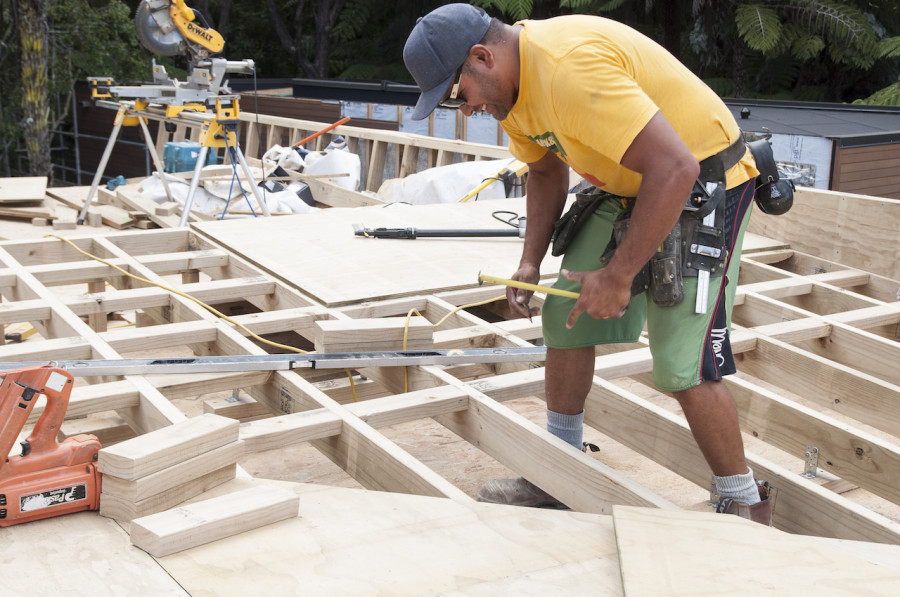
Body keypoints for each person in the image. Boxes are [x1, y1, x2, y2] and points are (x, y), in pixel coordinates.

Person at [403, 4, 774, 525]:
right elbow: (545, 172)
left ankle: (744, 501)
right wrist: (530, 261)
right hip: (631, 181)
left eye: (456, 93)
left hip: (704, 181)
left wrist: (620, 276)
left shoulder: (568, 70)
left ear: (482, 57)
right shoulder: (513, 95)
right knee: (566, 317)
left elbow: (676, 167)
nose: (465, 109)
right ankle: (559, 468)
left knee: (683, 360)